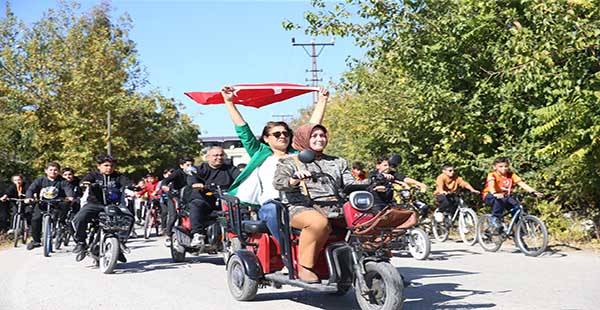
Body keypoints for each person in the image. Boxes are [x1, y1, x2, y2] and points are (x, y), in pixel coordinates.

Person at [221, 85, 329, 246]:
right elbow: (243, 130)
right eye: (277, 134)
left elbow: (311, 128)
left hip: (300, 203)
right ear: (266, 138)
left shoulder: (297, 154)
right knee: (273, 211)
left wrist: (322, 100)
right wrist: (229, 102)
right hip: (272, 204)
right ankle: (287, 252)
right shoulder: (260, 152)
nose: (282, 136)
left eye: (286, 133)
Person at [273, 124, 358, 283]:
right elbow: (279, 183)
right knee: (318, 223)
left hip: (334, 206)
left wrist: (375, 183)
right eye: (314, 136)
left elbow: (350, 184)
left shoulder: (338, 161)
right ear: (304, 138)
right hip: (300, 208)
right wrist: (294, 179)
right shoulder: (291, 162)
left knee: (366, 219)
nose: (320, 139)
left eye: (322, 135)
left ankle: (375, 263)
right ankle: (305, 267)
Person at [72, 155, 133, 255]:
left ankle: (121, 242)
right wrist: (85, 183)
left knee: (129, 217)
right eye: (106, 165)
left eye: (111, 166)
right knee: (79, 218)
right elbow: (84, 181)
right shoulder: (93, 175)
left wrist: (135, 186)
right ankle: (81, 242)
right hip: (94, 204)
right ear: (98, 166)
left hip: (114, 205)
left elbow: (127, 183)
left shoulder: (118, 176)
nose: (109, 168)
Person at [186, 146, 241, 246]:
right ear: (208, 157)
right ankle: (198, 234)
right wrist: (195, 184)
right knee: (196, 204)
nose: (219, 157)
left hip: (224, 199)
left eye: (221, 155)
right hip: (205, 199)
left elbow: (239, 177)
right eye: (215, 155)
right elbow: (192, 176)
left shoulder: (230, 169)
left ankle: (242, 232)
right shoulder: (202, 169)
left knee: (241, 207)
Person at [24, 162, 75, 250]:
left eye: (55, 170)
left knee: (64, 208)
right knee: (36, 218)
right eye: (50, 170)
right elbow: (31, 189)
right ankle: (36, 240)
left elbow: (68, 189)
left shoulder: (63, 181)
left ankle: (60, 224)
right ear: (46, 171)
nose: (53, 172)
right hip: (42, 203)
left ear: (58, 171)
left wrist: (70, 197)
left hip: (57, 203)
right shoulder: (40, 180)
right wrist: (28, 198)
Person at [483, 157, 543, 228]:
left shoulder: (511, 175)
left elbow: (521, 183)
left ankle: (518, 227)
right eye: (500, 167)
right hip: (490, 195)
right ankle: (495, 217)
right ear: (495, 167)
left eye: (506, 166)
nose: (504, 168)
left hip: (505, 196)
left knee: (517, 207)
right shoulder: (492, 175)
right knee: (499, 200)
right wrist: (494, 193)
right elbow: (491, 185)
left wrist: (533, 191)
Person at [160, 157, 195, 247]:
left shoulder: (195, 172)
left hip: (189, 196)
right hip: (175, 196)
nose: (190, 167)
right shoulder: (177, 173)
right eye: (187, 165)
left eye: (191, 165)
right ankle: (168, 235)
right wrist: (165, 186)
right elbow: (166, 180)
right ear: (181, 166)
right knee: (173, 215)